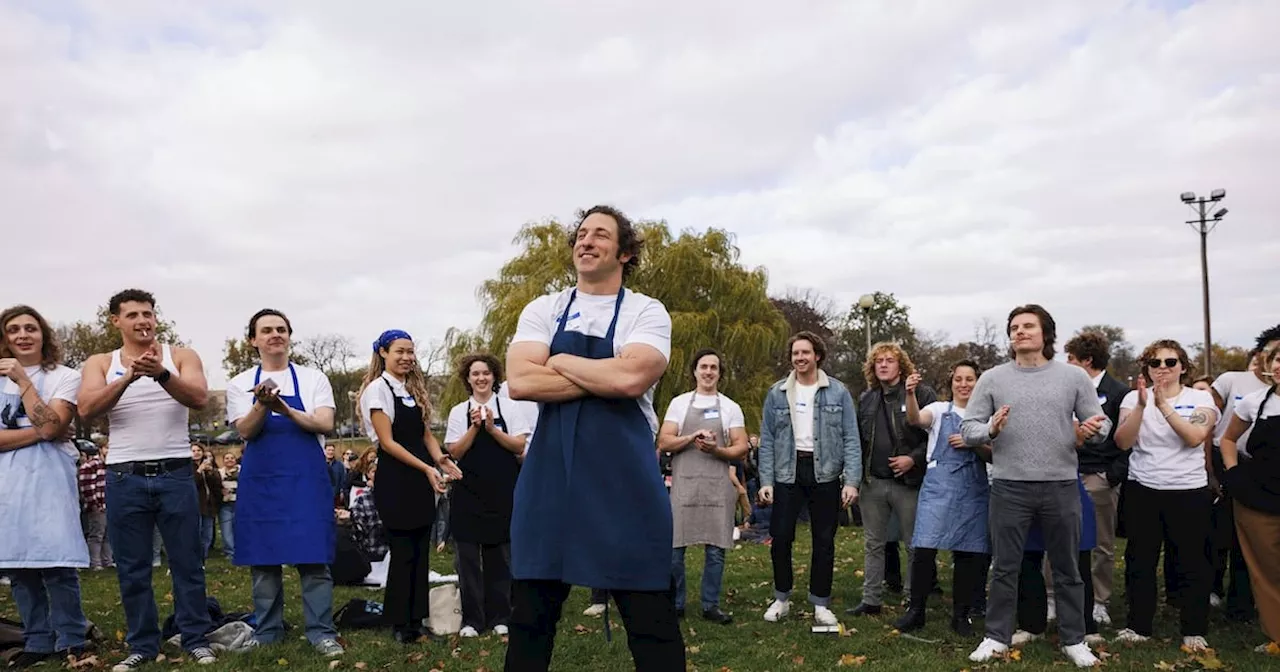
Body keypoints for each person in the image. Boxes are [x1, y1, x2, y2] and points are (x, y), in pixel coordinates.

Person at [503, 205, 684, 671]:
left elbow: (631, 381)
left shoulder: (647, 311)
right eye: (581, 234)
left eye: (600, 234)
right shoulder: (543, 308)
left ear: (624, 252)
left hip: (623, 483)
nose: (586, 241)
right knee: (530, 617)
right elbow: (520, 381)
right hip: (549, 481)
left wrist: (557, 361)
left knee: (651, 619)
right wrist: (604, 372)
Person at [961, 304, 1109, 668]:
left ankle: (1074, 639)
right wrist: (991, 430)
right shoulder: (993, 378)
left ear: (1046, 334)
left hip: (1061, 486)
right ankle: (996, 637)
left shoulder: (1073, 378)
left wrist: (1092, 430)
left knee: (1068, 569)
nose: (1020, 332)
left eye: (1028, 326)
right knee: (1005, 568)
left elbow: (1100, 426)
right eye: (1014, 327)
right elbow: (968, 429)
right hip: (1010, 487)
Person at [77, 289, 217, 670]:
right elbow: (87, 409)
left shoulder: (180, 356)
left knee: (188, 562)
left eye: (148, 314)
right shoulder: (100, 361)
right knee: (132, 567)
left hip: (174, 472)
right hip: (124, 476)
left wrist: (161, 373)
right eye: (133, 314)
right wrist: (128, 377)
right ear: (115, 321)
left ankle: (195, 638)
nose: (143, 320)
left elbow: (200, 397)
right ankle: (141, 643)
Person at [226, 309, 345, 656]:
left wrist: (284, 408)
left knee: (314, 558)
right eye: (266, 330)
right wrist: (263, 404)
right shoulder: (239, 382)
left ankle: (322, 631)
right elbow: (246, 430)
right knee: (264, 560)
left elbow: (324, 423)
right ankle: (267, 631)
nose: (275, 334)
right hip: (262, 482)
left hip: (306, 481)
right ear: (254, 340)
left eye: (281, 329)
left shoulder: (313, 379)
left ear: (289, 336)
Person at [0, 305, 91, 668]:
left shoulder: (65, 376)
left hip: (50, 480)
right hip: (7, 485)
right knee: (19, 565)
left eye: (30, 328)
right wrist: (41, 432)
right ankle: (36, 639)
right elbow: (48, 428)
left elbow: (55, 427)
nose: (23, 335)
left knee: (57, 562)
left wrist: (24, 381)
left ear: (43, 335)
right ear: (4, 337)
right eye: (13, 329)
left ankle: (71, 637)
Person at [1113, 339, 1218, 652]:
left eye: (1170, 362)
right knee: (1140, 561)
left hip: (1188, 490)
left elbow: (1195, 438)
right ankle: (1138, 625)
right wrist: (1143, 406)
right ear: (1146, 368)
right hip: (1143, 488)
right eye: (1155, 363)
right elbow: (1122, 442)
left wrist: (1163, 407)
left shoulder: (1200, 397)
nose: (1163, 368)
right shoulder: (1134, 398)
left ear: (1182, 367)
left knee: (1192, 562)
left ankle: (1194, 629)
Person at [358, 329, 459, 645]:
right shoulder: (378, 391)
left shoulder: (411, 390)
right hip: (396, 478)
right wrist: (427, 468)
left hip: (420, 476)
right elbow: (387, 443)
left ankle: (417, 620)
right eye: (400, 351)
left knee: (420, 551)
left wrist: (441, 461)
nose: (406, 357)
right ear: (384, 353)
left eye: (410, 352)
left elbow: (425, 435)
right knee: (403, 552)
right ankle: (401, 624)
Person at [758, 331, 861, 626]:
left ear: (817, 355)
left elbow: (851, 438)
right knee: (780, 538)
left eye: (805, 352)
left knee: (824, 539)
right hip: (787, 472)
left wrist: (851, 480)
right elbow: (767, 439)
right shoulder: (776, 393)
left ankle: (820, 602)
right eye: (795, 353)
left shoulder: (838, 392)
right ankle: (782, 597)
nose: (799, 358)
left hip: (825, 472)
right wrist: (766, 480)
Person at [894, 360, 990, 635]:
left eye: (969, 379)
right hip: (938, 489)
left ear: (978, 383)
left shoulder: (987, 417)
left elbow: (995, 454)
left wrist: (974, 442)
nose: (963, 384)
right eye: (958, 379)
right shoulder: (939, 411)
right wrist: (910, 393)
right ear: (951, 384)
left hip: (973, 491)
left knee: (967, 552)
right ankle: (916, 611)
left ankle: (961, 615)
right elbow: (914, 419)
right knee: (924, 549)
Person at [657, 348, 749, 625]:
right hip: (684, 484)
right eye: (703, 367)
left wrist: (715, 450)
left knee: (716, 549)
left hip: (717, 485)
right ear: (695, 371)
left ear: (720, 373)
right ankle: (676, 603)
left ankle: (711, 604)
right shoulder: (679, 404)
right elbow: (664, 442)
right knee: (675, 549)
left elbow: (741, 447)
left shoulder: (731, 407)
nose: (708, 372)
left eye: (714, 368)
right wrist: (692, 437)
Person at [444, 353, 530, 638]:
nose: (481, 378)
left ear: (494, 376)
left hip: (502, 491)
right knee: (467, 559)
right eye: (475, 374)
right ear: (467, 379)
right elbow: (454, 452)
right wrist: (474, 428)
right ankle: (472, 620)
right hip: (468, 493)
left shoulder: (510, 407)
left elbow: (518, 446)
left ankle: (500, 616)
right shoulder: (458, 411)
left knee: (500, 559)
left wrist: (492, 428)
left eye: (486, 373)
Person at [848, 342, 935, 617]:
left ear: (902, 365)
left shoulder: (921, 393)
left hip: (907, 483)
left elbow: (935, 435)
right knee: (874, 544)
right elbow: (860, 440)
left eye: (890, 360)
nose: (884, 365)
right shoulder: (867, 398)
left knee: (912, 543)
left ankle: (912, 598)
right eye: (879, 361)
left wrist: (914, 458)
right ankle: (871, 599)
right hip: (874, 482)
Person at [1208, 325, 1279, 618]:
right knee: (1264, 564)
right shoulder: (1254, 401)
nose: (1278, 364)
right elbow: (1226, 437)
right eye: (1276, 357)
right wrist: (1233, 473)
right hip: (1258, 491)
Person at [1063, 330, 1131, 626]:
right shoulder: (1063, 388)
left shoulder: (1116, 391)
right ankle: (1054, 596)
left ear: (1087, 360)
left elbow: (1125, 439)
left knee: (1101, 542)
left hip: (1099, 476)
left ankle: (1099, 600)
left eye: (1071, 358)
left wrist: (1111, 474)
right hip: (1064, 474)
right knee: (1060, 539)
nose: (1065, 363)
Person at [79, 445, 113, 571]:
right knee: (96, 535)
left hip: (109, 505)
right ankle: (95, 562)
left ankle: (107, 561)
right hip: (97, 507)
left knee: (108, 536)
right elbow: (86, 487)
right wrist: (94, 504)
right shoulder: (91, 466)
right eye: (107, 447)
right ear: (100, 449)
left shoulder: (111, 466)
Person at [190, 444, 222, 559]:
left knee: (207, 534)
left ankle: (203, 557)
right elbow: (192, 484)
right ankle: (194, 557)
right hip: (195, 504)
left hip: (209, 505)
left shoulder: (208, 464)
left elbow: (217, 484)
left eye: (199, 450)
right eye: (193, 450)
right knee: (196, 532)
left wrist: (210, 472)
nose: (196, 452)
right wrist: (199, 471)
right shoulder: (187, 467)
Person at [217, 451, 239, 560]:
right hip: (225, 505)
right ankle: (231, 552)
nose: (229, 460)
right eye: (227, 458)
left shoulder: (242, 470)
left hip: (240, 504)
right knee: (226, 530)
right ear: (223, 460)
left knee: (239, 529)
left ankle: (241, 550)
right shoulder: (219, 472)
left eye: (232, 458)